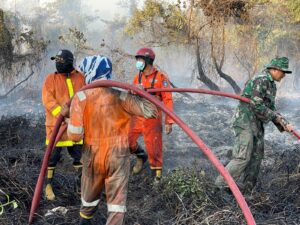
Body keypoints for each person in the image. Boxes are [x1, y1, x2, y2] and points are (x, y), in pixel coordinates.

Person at [67, 55, 158, 225]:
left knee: (88, 201)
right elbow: (151, 112)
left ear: (90, 72)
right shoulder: (121, 95)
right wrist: (140, 95)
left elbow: (74, 135)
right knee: (116, 206)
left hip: (92, 156)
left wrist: (68, 118)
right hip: (119, 156)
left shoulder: (80, 98)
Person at [215, 57, 293, 193]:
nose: (284, 75)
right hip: (245, 121)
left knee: (257, 156)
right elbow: (256, 104)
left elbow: (271, 108)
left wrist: (283, 123)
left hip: (256, 124)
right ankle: (219, 187)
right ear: (274, 70)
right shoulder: (261, 80)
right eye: (283, 71)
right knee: (243, 155)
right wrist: (277, 118)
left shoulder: (272, 85)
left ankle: (247, 190)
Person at [42, 49, 85, 200]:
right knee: (51, 158)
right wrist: (63, 115)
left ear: (69, 63)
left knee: (80, 156)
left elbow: (85, 99)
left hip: (74, 126)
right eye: (56, 61)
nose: (57, 64)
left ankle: (82, 186)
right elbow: (48, 101)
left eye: (60, 61)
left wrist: (76, 117)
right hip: (55, 126)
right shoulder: (50, 79)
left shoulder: (80, 78)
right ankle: (48, 186)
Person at [129, 47, 174, 181]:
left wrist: (168, 121)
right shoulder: (137, 78)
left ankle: (157, 176)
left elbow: (168, 99)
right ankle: (141, 156)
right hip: (138, 116)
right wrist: (134, 91)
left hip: (152, 117)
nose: (138, 62)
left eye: (140, 59)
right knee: (127, 140)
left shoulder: (161, 78)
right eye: (137, 59)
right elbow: (131, 97)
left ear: (148, 60)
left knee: (154, 146)